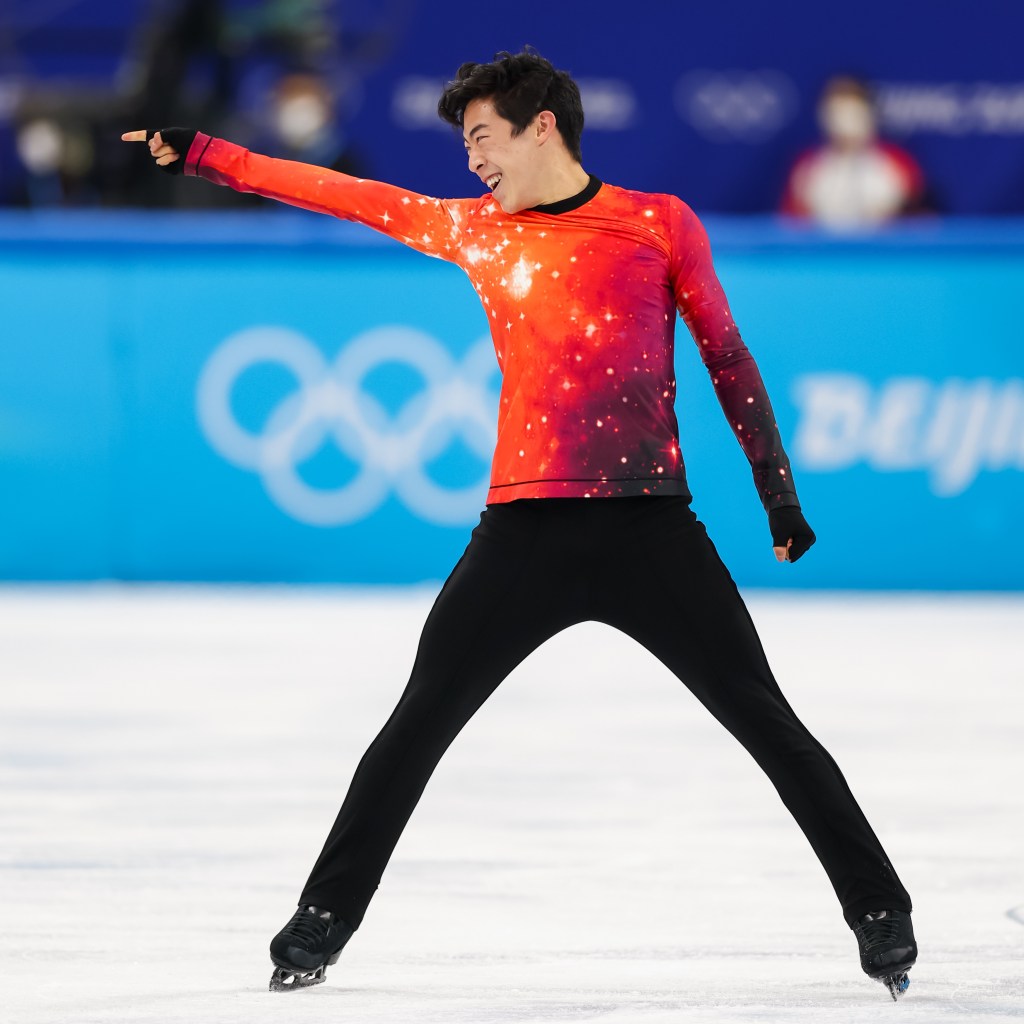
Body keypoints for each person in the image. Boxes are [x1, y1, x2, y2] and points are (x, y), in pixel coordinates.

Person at [123, 49, 917, 1001]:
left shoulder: (656, 223)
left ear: (543, 125)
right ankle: (322, 920)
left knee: (768, 724)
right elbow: (342, 192)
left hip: (650, 531)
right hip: (522, 537)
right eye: (464, 144)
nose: (472, 161)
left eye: (482, 137)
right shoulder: (475, 229)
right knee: (413, 730)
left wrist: (777, 496)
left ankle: (881, 912)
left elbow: (728, 357)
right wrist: (209, 153)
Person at [781, 76, 927, 229]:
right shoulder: (805, 167)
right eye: (836, 109)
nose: (844, 118)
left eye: (851, 107)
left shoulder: (899, 162)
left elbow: (919, 224)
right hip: (824, 251)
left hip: (884, 250)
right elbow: (791, 227)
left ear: (868, 111)